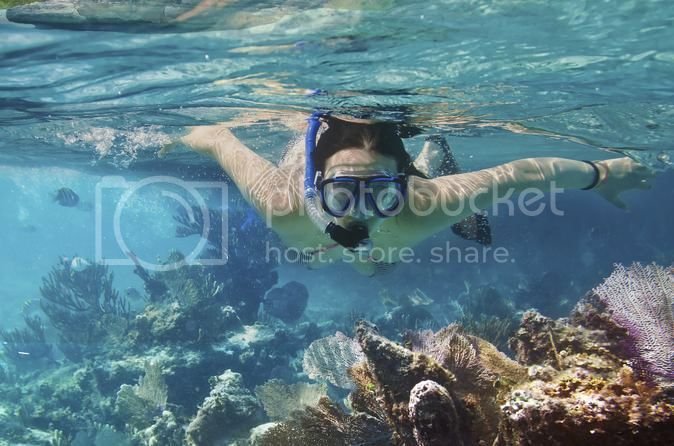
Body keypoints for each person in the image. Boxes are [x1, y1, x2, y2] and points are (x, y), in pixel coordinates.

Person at [178, 112, 655, 276]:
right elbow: (219, 136)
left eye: (382, 195)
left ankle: (428, 155)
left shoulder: (423, 204)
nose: (360, 214)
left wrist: (602, 173)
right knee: (362, 259)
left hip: (411, 185)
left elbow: (522, 174)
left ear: (400, 188)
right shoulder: (282, 203)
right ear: (315, 187)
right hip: (325, 205)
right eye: (343, 196)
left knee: (375, 264)